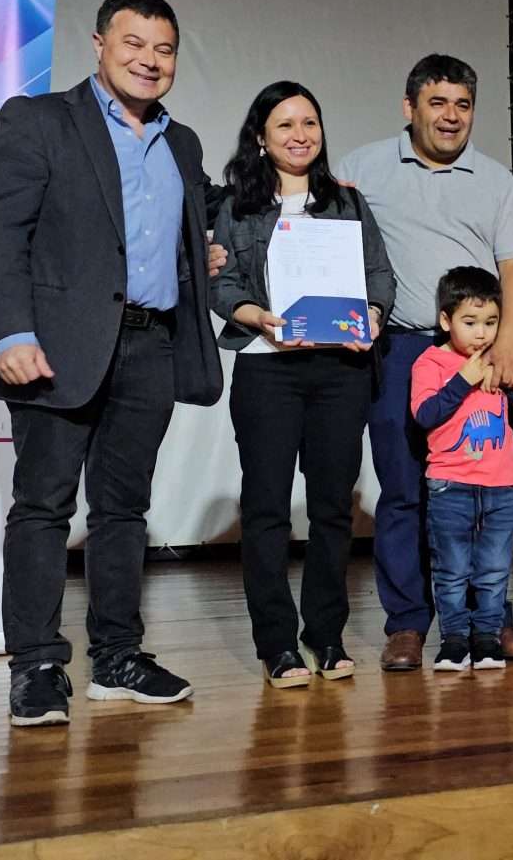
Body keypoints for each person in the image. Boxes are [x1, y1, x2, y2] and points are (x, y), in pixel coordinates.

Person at [0, 0, 227, 727]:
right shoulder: (40, 120)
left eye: (165, 49)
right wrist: (11, 333)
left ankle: (117, 656)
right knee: (43, 506)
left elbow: (199, 222)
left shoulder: (181, 143)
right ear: (98, 44)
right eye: (134, 43)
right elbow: (0, 231)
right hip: (56, 345)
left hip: (151, 344)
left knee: (124, 510)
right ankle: (37, 665)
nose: (150, 60)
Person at [336, 54, 513, 670]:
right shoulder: (362, 168)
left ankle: (494, 625)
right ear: (410, 108)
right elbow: (323, 235)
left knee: (483, 493)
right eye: (438, 103)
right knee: (403, 492)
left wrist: (508, 340)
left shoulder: (494, 179)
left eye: (462, 105)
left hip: (482, 351)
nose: (451, 116)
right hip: (401, 347)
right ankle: (407, 626)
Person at [210, 80, 396, 690]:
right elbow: (222, 283)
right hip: (268, 367)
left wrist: (370, 314)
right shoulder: (235, 205)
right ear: (261, 137)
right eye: (285, 124)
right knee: (265, 508)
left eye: (309, 123)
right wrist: (255, 317)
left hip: (339, 371)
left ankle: (326, 633)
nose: (300, 135)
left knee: (332, 510)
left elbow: (379, 275)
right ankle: (276, 644)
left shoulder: (346, 201)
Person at [409, 267, 513, 672]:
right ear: (446, 321)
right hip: (451, 485)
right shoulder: (430, 362)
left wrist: (509, 376)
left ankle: (487, 638)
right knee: (451, 569)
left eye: (490, 323)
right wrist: (464, 380)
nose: (481, 333)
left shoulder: (498, 356)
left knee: (495, 569)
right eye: (470, 323)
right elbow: (426, 413)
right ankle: (453, 641)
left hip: (499, 486)